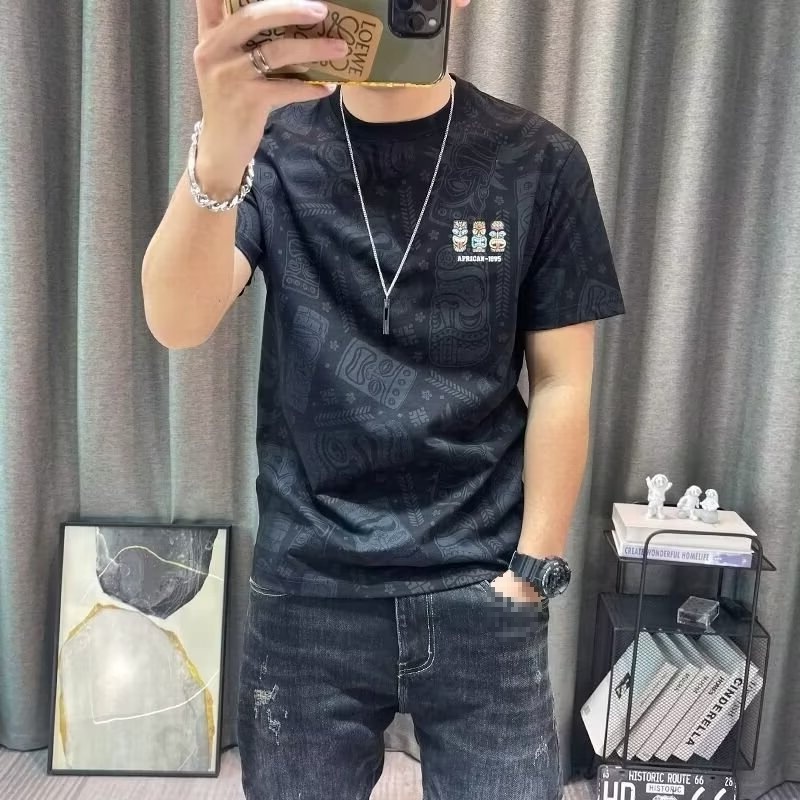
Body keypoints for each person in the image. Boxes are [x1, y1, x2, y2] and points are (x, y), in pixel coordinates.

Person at [142, 0, 625, 797]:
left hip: (481, 582)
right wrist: (222, 140)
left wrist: (531, 571)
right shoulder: (272, 147)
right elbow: (177, 321)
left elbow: (563, 381)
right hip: (309, 586)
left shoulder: (538, 159)